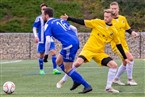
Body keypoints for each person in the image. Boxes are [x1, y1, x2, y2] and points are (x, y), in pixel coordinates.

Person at [57, 9, 130, 93]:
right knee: (77, 63)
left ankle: (108, 87)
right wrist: (69, 18)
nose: (105, 18)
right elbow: (83, 22)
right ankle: (64, 79)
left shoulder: (114, 31)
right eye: (104, 16)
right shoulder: (97, 22)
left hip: (99, 52)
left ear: (112, 17)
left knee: (114, 65)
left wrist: (125, 57)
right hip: (89, 49)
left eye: (107, 17)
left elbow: (118, 45)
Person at [43, 7, 92, 94]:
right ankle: (75, 80)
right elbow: (74, 29)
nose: (42, 16)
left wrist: (46, 54)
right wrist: (74, 39)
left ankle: (86, 85)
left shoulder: (48, 24)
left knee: (68, 69)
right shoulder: (60, 20)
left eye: (43, 14)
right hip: (71, 43)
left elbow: (47, 41)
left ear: (46, 15)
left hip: (68, 45)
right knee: (58, 61)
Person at [110, 1, 138, 86]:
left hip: (124, 44)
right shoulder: (108, 20)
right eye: (112, 9)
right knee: (130, 58)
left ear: (118, 9)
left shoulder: (123, 18)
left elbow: (127, 28)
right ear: (109, 10)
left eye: (115, 8)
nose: (113, 10)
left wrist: (132, 33)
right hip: (116, 45)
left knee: (125, 62)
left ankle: (116, 79)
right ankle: (130, 79)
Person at [32, 3, 61, 75]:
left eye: (45, 9)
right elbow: (34, 27)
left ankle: (55, 69)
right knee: (41, 54)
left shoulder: (50, 19)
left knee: (53, 52)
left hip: (49, 38)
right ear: (41, 10)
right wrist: (36, 36)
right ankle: (41, 70)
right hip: (41, 39)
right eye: (43, 9)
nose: (44, 10)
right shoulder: (38, 18)